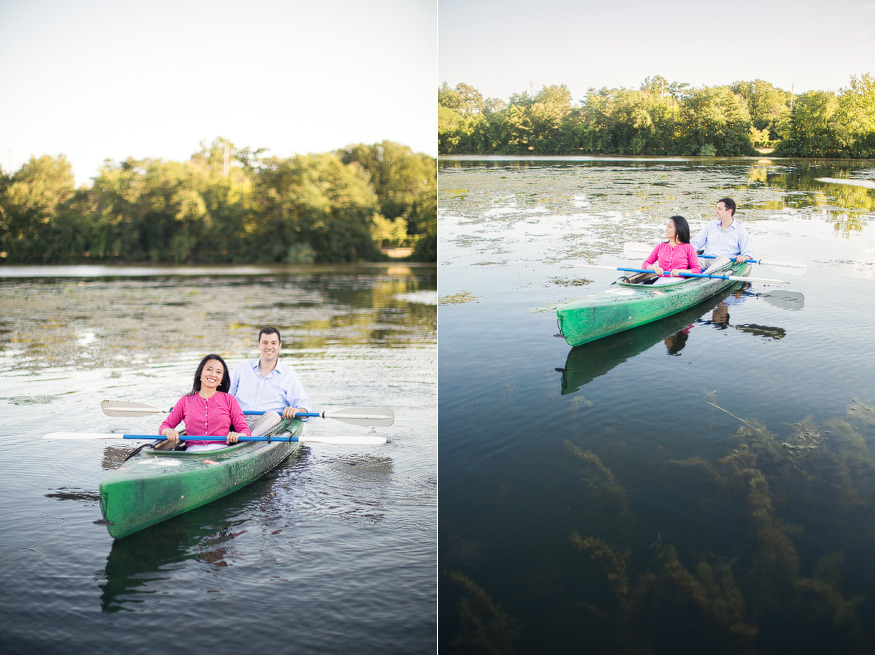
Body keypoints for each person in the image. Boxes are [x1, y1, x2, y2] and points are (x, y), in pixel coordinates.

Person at [159, 354, 251, 452]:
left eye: (218, 372)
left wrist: (238, 435)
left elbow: (245, 431)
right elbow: (164, 426)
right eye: (209, 369)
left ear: (221, 379)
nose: (213, 374)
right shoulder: (185, 400)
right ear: (200, 373)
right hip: (192, 454)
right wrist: (168, 431)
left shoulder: (230, 400)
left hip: (222, 452)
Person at [229, 326, 312, 420]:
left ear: (279, 346)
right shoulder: (242, 368)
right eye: (265, 343)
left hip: (270, 425)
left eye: (273, 343)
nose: (269, 347)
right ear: (258, 345)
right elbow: (224, 394)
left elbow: (305, 407)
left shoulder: (288, 375)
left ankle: (246, 434)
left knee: (273, 417)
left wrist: (298, 411)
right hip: (240, 421)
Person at [691, 197, 754, 270]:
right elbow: (695, 243)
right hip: (706, 259)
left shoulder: (740, 230)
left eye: (719, 209)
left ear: (729, 211)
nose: (716, 211)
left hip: (725, 263)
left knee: (724, 259)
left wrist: (744, 257)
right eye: (717, 208)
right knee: (687, 261)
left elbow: (748, 252)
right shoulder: (711, 225)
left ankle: (704, 277)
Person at [642, 215, 701, 281]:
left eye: (669, 227)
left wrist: (680, 271)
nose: (666, 230)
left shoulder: (688, 248)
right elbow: (645, 264)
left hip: (679, 283)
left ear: (678, 230)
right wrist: (655, 268)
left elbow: (696, 270)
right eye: (667, 227)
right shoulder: (660, 246)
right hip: (661, 280)